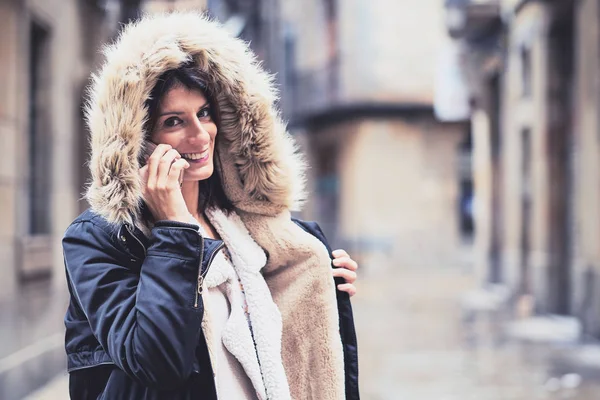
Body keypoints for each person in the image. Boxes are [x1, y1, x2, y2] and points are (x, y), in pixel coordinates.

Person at [62, 11, 359, 400]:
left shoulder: (259, 232)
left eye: (204, 113)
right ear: (138, 140)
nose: (200, 134)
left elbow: (309, 355)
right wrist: (174, 230)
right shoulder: (100, 241)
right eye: (174, 121)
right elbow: (156, 362)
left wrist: (324, 283)